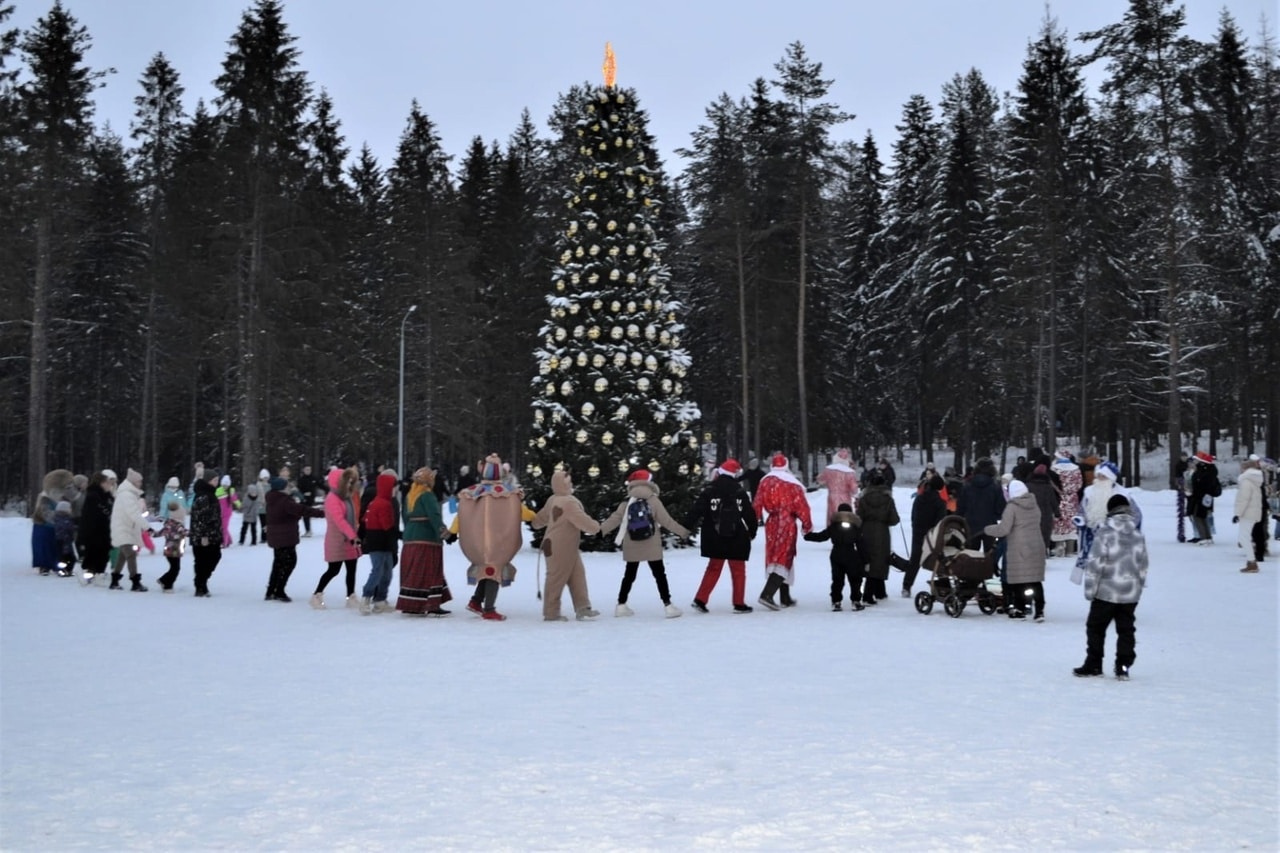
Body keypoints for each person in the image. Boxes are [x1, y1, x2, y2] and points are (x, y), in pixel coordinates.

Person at [599, 469, 690, 618]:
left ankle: (621, 605)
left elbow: (614, 519)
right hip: (651, 543)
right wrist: (683, 532)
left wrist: (599, 531)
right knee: (659, 574)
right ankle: (668, 606)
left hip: (632, 543)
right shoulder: (653, 500)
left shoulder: (627, 502)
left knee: (629, 574)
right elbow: (667, 521)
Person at [1075, 494, 1148, 680]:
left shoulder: (1105, 534)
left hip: (1105, 592)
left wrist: (1090, 590)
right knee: (1126, 630)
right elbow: (1143, 565)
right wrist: (1138, 588)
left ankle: (1094, 663)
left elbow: (1095, 565)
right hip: (1129, 593)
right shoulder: (1138, 535)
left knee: (1095, 628)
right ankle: (1123, 666)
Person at [685, 459, 758, 614]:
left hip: (714, 535)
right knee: (738, 570)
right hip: (736, 536)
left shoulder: (710, 489)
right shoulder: (738, 490)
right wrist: (752, 531)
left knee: (713, 568)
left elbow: (696, 511)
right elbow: (749, 514)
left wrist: (685, 528)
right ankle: (739, 603)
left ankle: (700, 599)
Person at [458, 455, 525, 621]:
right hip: (497, 543)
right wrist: (539, 520)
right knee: (493, 571)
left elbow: (461, 516)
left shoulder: (472, 493)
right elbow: (523, 512)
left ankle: (476, 601)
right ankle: (489, 608)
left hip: (478, 544)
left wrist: (452, 531)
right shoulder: (509, 494)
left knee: (486, 571)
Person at [532, 467, 602, 622]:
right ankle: (551, 613)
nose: (571, 485)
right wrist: (596, 527)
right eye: (568, 483)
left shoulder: (553, 499)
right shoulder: (568, 502)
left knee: (577, 575)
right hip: (559, 547)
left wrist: (535, 522)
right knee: (556, 578)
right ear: (561, 485)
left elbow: (541, 518)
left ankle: (582, 607)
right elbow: (582, 520)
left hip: (564, 546)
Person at [752, 453, 813, 610]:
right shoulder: (792, 483)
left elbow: (757, 503)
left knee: (775, 556)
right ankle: (767, 594)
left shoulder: (765, 481)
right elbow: (802, 506)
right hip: (787, 523)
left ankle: (785, 596)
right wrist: (807, 525)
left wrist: (753, 522)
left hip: (771, 522)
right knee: (784, 556)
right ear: (786, 465)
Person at [985, 479, 1046, 620]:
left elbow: (1003, 529)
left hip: (1019, 547)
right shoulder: (1034, 505)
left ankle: (1020, 609)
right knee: (1035, 580)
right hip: (1036, 545)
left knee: (1019, 579)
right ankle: (1039, 611)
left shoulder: (1012, 507)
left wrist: (987, 529)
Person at [395, 467, 452, 616]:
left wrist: (409, 532)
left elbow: (405, 517)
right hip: (427, 539)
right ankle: (430, 604)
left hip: (410, 538)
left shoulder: (410, 495)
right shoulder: (427, 495)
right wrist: (445, 534)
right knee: (430, 571)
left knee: (412, 571)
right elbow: (434, 517)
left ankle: (410, 603)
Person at [264, 476, 322, 602]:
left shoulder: (272, 499)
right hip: (285, 537)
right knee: (289, 563)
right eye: (287, 486)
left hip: (276, 537)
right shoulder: (285, 501)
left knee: (278, 563)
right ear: (281, 489)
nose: (289, 488)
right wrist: (322, 513)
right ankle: (279, 590)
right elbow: (302, 510)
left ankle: (271, 590)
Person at [311, 466, 362, 609]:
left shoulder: (346, 497)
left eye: (351, 482)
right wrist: (352, 535)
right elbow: (339, 520)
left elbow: (351, 517)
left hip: (349, 539)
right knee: (334, 569)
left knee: (352, 568)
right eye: (347, 482)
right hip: (337, 540)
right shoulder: (332, 499)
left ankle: (351, 596)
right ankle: (317, 595)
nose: (349, 485)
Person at [804, 502, 865, 611]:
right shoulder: (856, 527)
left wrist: (808, 536)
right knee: (855, 579)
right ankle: (856, 601)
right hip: (851, 554)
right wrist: (865, 559)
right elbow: (861, 544)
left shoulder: (834, 526)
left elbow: (822, 536)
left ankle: (836, 602)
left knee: (837, 580)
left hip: (836, 554)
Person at [359, 469, 401, 614]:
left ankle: (380, 600)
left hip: (386, 544)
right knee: (377, 571)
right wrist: (400, 535)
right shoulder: (382, 504)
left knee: (387, 572)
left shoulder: (385, 502)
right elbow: (387, 525)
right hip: (378, 543)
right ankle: (366, 597)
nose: (396, 490)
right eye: (394, 487)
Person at [856, 469, 901, 604]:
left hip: (866, 531)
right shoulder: (888, 499)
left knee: (869, 559)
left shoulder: (864, 498)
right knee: (881, 560)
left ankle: (880, 591)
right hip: (882, 532)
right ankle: (869, 594)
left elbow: (859, 517)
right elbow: (894, 519)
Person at [904, 474, 948, 598]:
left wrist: (915, 527)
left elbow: (914, 515)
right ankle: (943, 586)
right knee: (938, 558)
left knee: (915, 559)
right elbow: (940, 521)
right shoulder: (940, 503)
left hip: (918, 531)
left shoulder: (919, 498)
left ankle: (906, 586)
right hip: (932, 533)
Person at [108, 468, 151, 592]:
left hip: (126, 528)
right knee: (131, 554)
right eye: (139, 482)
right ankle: (135, 582)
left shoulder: (130, 494)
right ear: (133, 482)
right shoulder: (127, 495)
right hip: (123, 528)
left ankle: (115, 580)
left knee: (123, 555)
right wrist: (147, 527)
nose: (140, 484)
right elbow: (134, 514)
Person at [957, 458, 1005, 553]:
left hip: (970, 525)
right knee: (991, 557)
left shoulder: (967, 486)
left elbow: (961, 507)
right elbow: (1000, 508)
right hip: (990, 525)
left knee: (971, 556)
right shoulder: (995, 487)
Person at [188, 468, 223, 597]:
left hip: (212, 534)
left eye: (217, 480)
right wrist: (203, 535)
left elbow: (213, 516)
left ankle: (202, 582)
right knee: (202, 560)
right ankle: (200, 586)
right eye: (215, 480)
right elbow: (201, 517)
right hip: (203, 535)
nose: (217, 482)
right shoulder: (203, 495)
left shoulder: (211, 494)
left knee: (214, 557)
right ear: (208, 481)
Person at [31, 469, 74, 575]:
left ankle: (59, 565)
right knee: (45, 547)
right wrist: (59, 519)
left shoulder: (63, 497)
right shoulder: (44, 497)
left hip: (58, 528)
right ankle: (44, 566)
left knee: (59, 548)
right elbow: (44, 513)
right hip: (44, 527)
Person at [79, 470, 116, 584]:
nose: (110, 485)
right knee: (95, 552)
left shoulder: (106, 495)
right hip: (95, 530)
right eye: (107, 482)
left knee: (102, 552)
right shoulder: (94, 496)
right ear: (101, 483)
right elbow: (90, 515)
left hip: (104, 529)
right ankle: (91, 573)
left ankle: (97, 572)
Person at [1234, 456, 1266, 574]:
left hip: (1248, 513)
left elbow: (1244, 499)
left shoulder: (1246, 481)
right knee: (1245, 537)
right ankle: (1251, 561)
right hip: (1253, 512)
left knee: (1244, 538)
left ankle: (1252, 562)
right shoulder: (1255, 479)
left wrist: (1237, 513)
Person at [1050, 451, 1082, 556]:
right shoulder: (1076, 469)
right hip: (1072, 499)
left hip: (1059, 498)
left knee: (1059, 522)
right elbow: (1079, 484)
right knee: (1071, 523)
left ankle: (1058, 547)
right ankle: (1070, 550)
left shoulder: (1054, 469)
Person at [816, 448, 859, 524]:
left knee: (832, 515)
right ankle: (844, 532)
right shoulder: (849, 472)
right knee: (844, 515)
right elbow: (854, 489)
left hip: (832, 496)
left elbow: (820, 480)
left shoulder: (828, 470)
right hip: (845, 497)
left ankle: (832, 531)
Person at [1025, 464, 1059, 556]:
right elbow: (1053, 501)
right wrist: (1057, 513)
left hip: (1030, 513)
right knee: (1044, 534)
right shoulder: (1048, 487)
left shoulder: (1028, 486)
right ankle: (1042, 553)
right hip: (1045, 513)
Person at [1187, 451, 1220, 545]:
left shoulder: (1205, 471)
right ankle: (1207, 536)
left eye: (1196, 460)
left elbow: (1202, 484)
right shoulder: (1207, 470)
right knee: (1202, 516)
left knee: (1198, 516)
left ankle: (1204, 537)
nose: (1194, 461)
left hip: (1201, 497)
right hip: (1201, 497)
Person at [155, 500, 188, 592]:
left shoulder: (168, 524)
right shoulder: (178, 525)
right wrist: (195, 533)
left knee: (174, 568)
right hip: (175, 550)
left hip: (169, 550)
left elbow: (159, 533)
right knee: (175, 569)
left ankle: (165, 581)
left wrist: (151, 533)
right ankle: (166, 583)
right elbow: (185, 532)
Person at [53, 500, 78, 577]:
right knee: (68, 558)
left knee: (65, 557)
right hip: (65, 541)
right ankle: (64, 570)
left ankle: (66, 570)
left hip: (63, 541)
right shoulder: (65, 519)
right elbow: (68, 528)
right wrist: (75, 528)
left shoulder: (58, 518)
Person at [216, 474, 239, 548]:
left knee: (224, 527)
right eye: (224, 484)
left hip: (227, 513)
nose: (225, 486)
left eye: (227, 485)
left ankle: (224, 543)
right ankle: (229, 540)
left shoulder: (231, 491)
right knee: (222, 527)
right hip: (219, 512)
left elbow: (235, 499)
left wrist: (239, 505)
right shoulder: (218, 490)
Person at [297, 464, 320, 537]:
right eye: (306, 469)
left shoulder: (314, 478)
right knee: (303, 514)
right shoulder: (301, 479)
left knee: (307, 514)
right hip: (303, 499)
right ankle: (305, 530)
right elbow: (298, 489)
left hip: (310, 499)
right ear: (304, 470)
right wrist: (303, 494)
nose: (308, 471)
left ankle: (308, 530)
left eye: (309, 469)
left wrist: (328, 490)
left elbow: (320, 485)